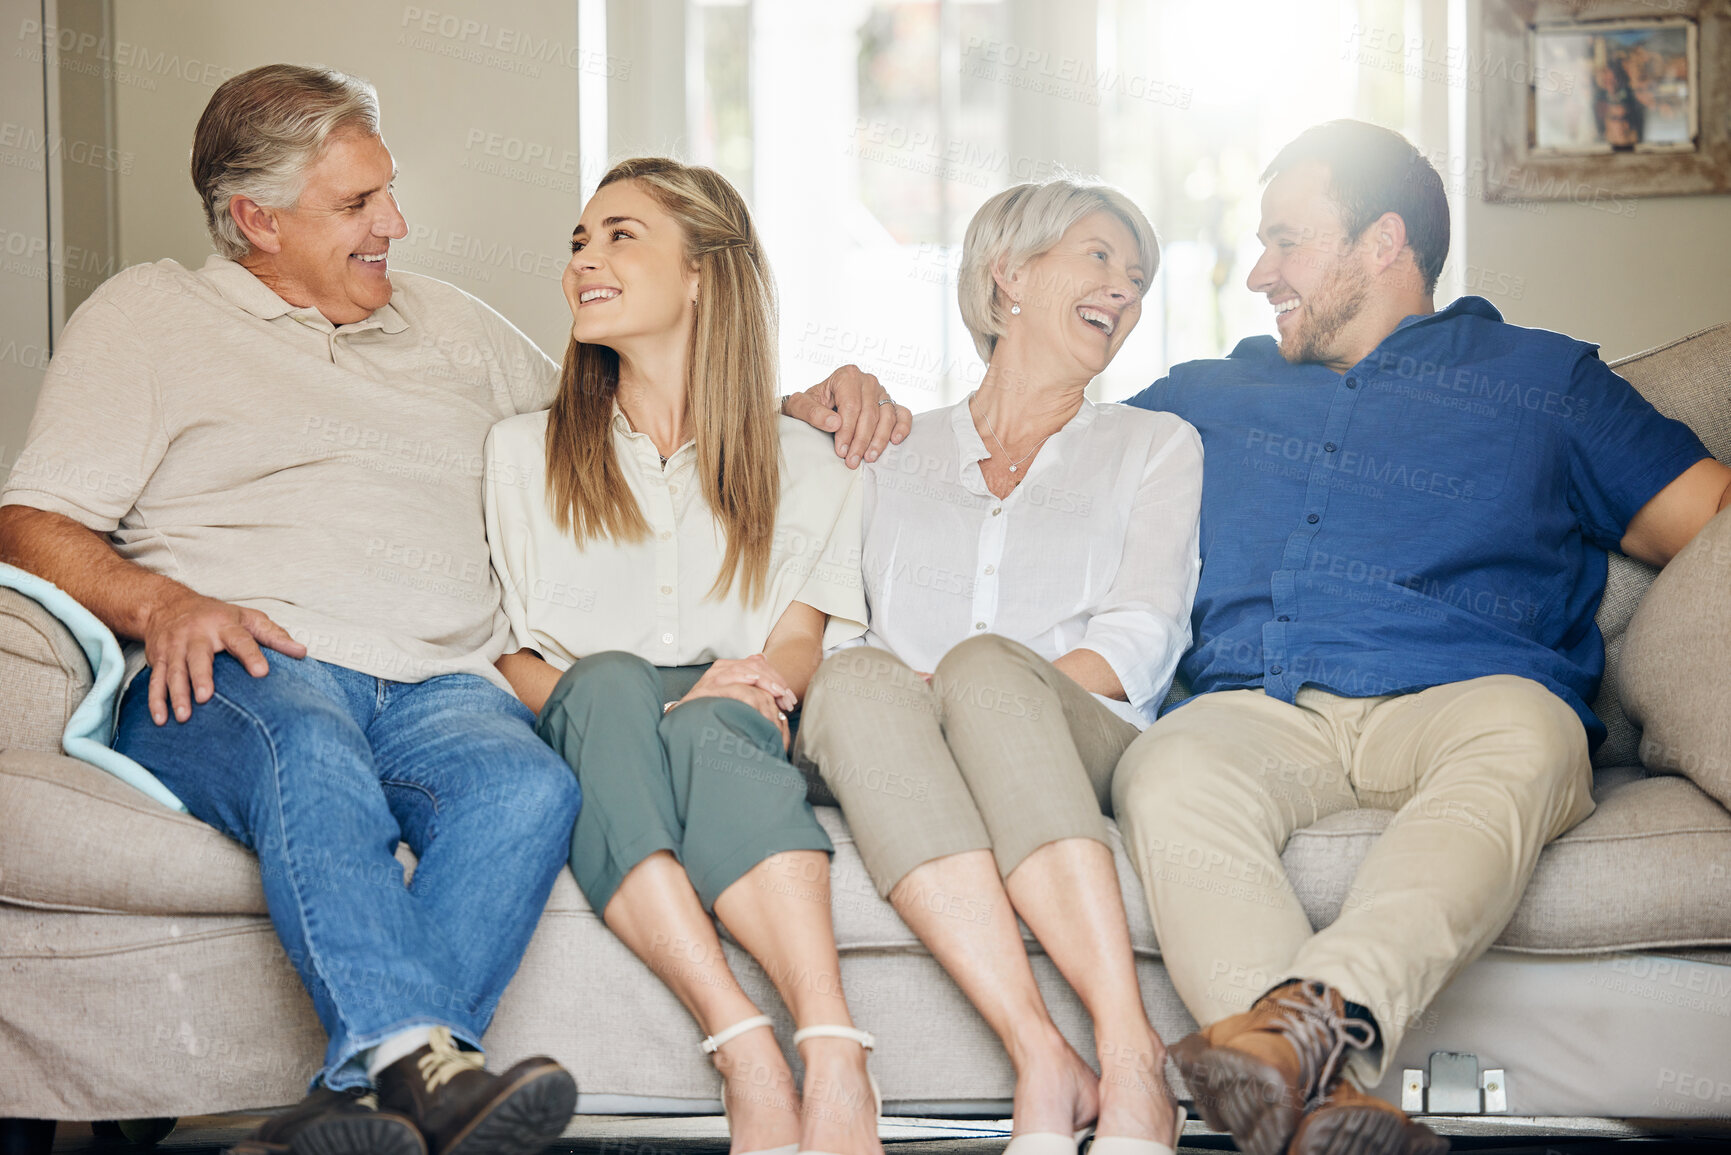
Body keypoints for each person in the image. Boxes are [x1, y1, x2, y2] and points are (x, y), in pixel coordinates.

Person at [0, 63, 903, 1155]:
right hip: (251, 664)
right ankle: (419, 1064)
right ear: (255, 220)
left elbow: (624, 415)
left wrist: (785, 409)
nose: (397, 223)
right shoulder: (150, 315)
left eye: (388, 191)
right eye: (357, 206)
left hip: (443, 683)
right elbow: (31, 520)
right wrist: (163, 601)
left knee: (529, 787)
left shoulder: (452, 329)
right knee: (311, 750)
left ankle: (359, 1111)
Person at [798, 119, 1730, 1155]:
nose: (1257, 273)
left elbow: (1710, 525)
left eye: (1285, 240)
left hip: (1468, 697)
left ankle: (1302, 1048)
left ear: (1383, 242)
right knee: (1167, 774)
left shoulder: (1545, 382)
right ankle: (1323, 1108)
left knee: (1533, 739)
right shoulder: (1198, 401)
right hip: (1251, 715)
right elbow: (1021, 440)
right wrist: (824, 408)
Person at [792, 178, 1200, 1155]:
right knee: (847, 679)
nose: (1124, 288)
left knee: (981, 669)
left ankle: (1134, 1056)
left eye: (1138, 277)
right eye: (1099, 257)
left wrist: (983, 690)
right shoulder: (888, 449)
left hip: (1073, 730)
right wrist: (801, 401)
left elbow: (1143, 637)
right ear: (1009, 275)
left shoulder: (1154, 445)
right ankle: (1041, 1058)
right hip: (899, 742)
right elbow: (832, 614)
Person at [484, 157, 880, 1155]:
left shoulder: (816, 463)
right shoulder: (518, 454)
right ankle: (745, 1047)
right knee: (612, 683)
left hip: (739, 719)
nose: (585, 261)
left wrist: (730, 693)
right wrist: (653, 708)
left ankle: (833, 1052)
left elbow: (797, 640)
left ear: (705, 274)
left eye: (622, 235)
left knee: (713, 722)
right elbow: (505, 652)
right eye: (580, 241)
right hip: (588, 715)